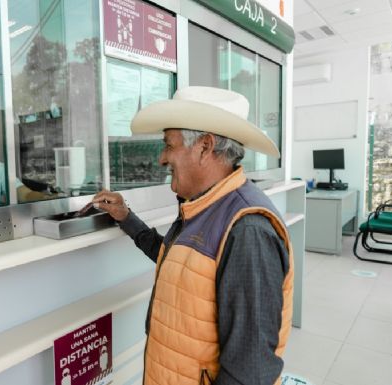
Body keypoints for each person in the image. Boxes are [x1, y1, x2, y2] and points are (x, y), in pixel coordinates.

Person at [92, 86, 294, 385]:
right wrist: (126, 217)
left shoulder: (248, 230)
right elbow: (177, 260)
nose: (162, 158)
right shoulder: (204, 205)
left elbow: (249, 373)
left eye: (169, 145)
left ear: (204, 146)